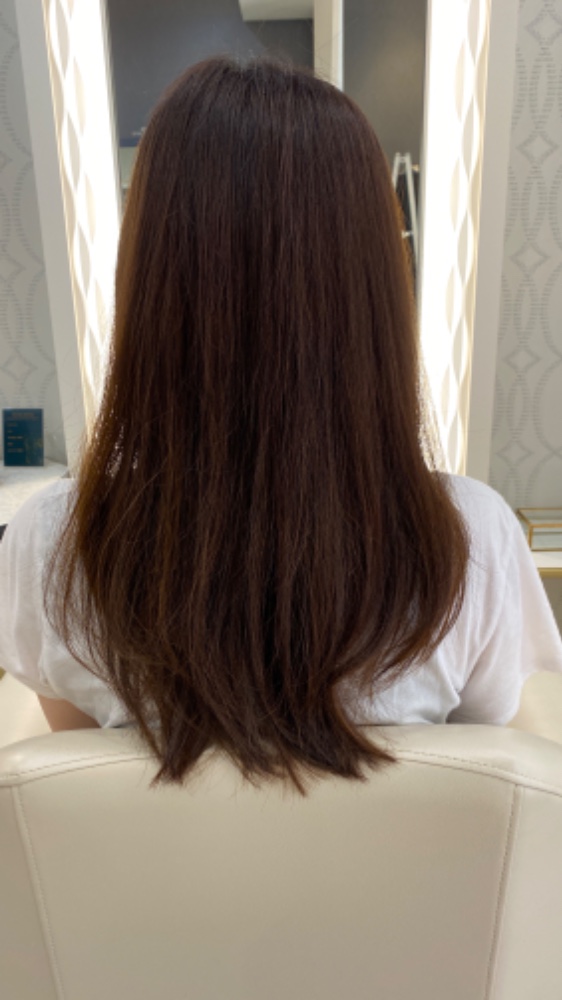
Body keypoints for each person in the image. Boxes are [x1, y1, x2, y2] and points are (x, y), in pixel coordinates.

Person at [1, 57, 561, 790]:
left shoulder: (51, 541)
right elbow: (480, 760)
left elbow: (80, 772)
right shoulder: (471, 537)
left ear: (148, 274)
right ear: (374, 285)